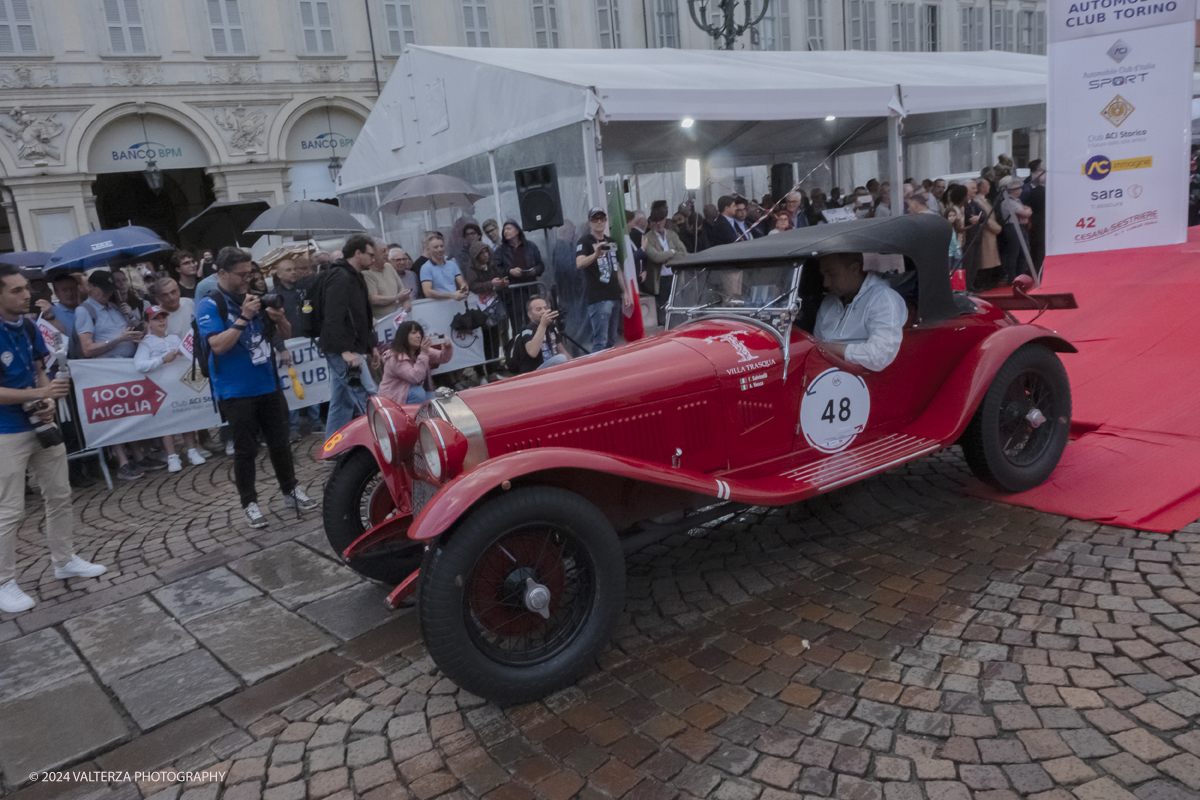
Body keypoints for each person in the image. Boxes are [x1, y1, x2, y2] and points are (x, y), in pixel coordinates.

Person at [0, 264, 107, 613]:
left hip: (41, 424)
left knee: (60, 495)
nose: (26, 293)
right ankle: (4, 581)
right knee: (10, 510)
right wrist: (41, 391)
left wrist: (44, 398)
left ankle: (64, 559)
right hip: (6, 431)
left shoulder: (28, 325)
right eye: (15, 290)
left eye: (25, 287)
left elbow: (38, 366)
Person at [196, 247, 315, 528]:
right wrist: (243, 317)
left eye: (250, 273)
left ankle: (290, 490)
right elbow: (217, 346)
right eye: (241, 274)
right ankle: (249, 503)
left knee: (280, 442)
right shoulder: (210, 304)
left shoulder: (257, 298)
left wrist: (280, 319)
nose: (247, 279)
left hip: (267, 383)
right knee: (245, 450)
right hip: (235, 390)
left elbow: (282, 335)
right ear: (222, 274)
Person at [76, 270, 157, 480]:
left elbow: (126, 334)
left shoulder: (113, 307)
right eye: (104, 290)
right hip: (105, 371)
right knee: (114, 417)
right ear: (91, 287)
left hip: (126, 368)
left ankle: (138, 455)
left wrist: (135, 332)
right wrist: (119, 340)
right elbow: (87, 348)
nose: (107, 294)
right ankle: (122, 462)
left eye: (110, 290)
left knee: (130, 414)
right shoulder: (85, 311)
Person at [319, 235, 380, 439]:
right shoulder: (341, 277)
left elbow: (364, 315)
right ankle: (380, 442)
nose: (374, 259)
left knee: (341, 399)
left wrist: (372, 346)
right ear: (357, 253)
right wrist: (344, 351)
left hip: (352, 347)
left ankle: (332, 446)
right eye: (370, 255)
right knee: (364, 394)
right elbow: (333, 316)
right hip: (343, 350)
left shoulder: (356, 276)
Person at [134, 306, 205, 472]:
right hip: (161, 390)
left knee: (186, 418)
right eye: (156, 318)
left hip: (180, 386)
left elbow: (190, 354)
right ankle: (172, 456)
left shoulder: (174, 338)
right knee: (168, 423)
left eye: (163, 317)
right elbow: (139, 365)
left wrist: (183, 353)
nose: (161, 321)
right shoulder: (146, 343)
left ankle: (192, 450)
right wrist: (162, 359)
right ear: (147, 323)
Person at [813, 253, 906, 372]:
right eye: (823, 275)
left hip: (863, 381)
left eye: (832, 274)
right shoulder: (829, 301)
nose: (825, 283)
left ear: (854, 269)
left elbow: (881, 354)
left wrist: (836, 349)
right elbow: (816, 341)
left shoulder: (883, 299)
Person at [575, 207, 632, 353]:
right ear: (589, 223)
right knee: (600, 341)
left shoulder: (611, 241)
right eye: (595, 219)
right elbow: (579, 263)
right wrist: (595, 255)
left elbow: (617, 268)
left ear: (606, 221)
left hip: (614, 296)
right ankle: (598, 372)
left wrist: (625, 291)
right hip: (599, 298)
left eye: (602, 218)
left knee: (612, 340)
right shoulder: (584, 241)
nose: (599, 222)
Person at [379, 320, 451, 404]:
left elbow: (443, 358)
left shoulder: (420, 350)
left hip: (409, 394)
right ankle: (412, 416)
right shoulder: (395, 357)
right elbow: (415, 377)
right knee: (418, 393)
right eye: (414, 333)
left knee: (441, 399)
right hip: (393, 400)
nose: (418, 336)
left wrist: (447, 348)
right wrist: (424, 354)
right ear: (404, 336)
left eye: (420, 333)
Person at [641, 208, 686, 326]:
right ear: (651, 222)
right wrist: (672, 252)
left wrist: (666, 258)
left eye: (660, 220)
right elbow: (655, 257)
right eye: (655, 221)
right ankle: (666, 328)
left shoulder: (672, 234)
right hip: (659, 280)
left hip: (674, 277)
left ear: (665, 220)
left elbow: (683, 253)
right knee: (663, 310)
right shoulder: (647, 237)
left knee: (678, 305)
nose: (658, 223)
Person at [511, 296, 570, 374]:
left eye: (545, 308)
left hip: (551, 367)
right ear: (530, 315)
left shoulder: (551, 327)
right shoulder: (527, 331)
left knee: (563, 357)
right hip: (534, 372)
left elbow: (562, 351)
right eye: (539, 309)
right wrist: (542, 325)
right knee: (561, 358)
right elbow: (532, 352)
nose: (543, 311)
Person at [997, 175, 1034, 285]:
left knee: (1023, 252)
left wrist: (1027, 209)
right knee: (1014, 253)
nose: (1020, 190)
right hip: (1012, 228)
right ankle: (1012, 278)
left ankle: (1021, 275)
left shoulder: (1016, 201)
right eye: (1018, 188)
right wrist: (1027, 209)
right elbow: (1026, 212)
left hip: (1021, 227)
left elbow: (1027, 210)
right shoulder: (1007, 202)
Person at [363, 243, 408, 320]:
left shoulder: (389, 266)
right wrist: (397, 298)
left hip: (398, 317)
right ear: (373, 254)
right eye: (383, 251)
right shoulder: (366, 273)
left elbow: (402, 287)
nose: (387, 254)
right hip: (382, 322)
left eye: (387, 250)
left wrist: (406, 301)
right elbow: (373, 299)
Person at [418, 232, 469, 301]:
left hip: (454, 305)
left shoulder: (452, 264)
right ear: (428, 250)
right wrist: (452, 296)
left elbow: (462, 282)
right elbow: (427, 292)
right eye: (436, 247)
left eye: (441, 246)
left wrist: (464, 290)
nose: (440, 249)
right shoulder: (425, 268)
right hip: (438, 307)